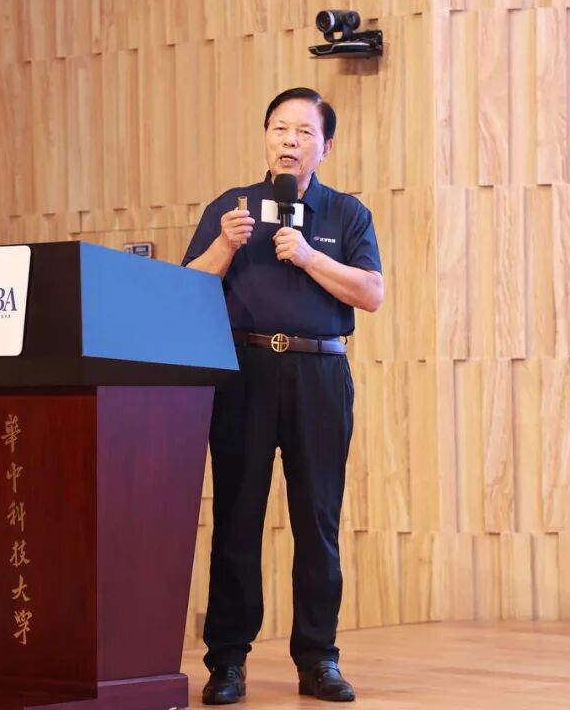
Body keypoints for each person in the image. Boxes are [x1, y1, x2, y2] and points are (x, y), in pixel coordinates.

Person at [182, 87, 384, 704]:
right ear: (266, 138)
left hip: (319, 374)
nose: (289, 141)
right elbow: (183, 289)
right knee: (236, 517)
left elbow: (371, 293)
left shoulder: (346, 213)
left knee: (317, 520)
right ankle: (228, 662)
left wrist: (308, 258)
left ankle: (318, 659)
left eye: (303, 132)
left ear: (325, 146)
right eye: (279, 129)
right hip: (243, 371)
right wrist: (224, 245)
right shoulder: (231, 208)